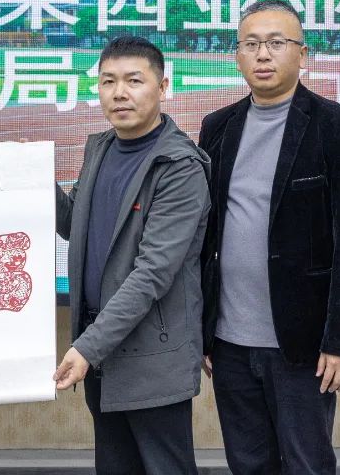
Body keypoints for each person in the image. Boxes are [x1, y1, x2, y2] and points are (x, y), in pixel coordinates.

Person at [198, 0, 340, 475]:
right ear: (237, 56)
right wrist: (202, 331)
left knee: (306, 465)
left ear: (302, 55)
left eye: (276, 43)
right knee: (248, 464)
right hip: (229, 344)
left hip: (304, 345)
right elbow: (206, 236)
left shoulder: (338, 128)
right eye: (251, 44)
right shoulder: (217, 128)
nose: (263, 54)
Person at [53, 35, 210, 475]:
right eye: (108, 81)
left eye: (134, 80)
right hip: (100, 349)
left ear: (162, 87)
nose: (119, 92)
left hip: (151, 359)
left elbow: (152, 273)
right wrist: (25, 173)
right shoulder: (100, 148)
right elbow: (74, 225)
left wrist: (87, 348)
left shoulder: (179, 166)